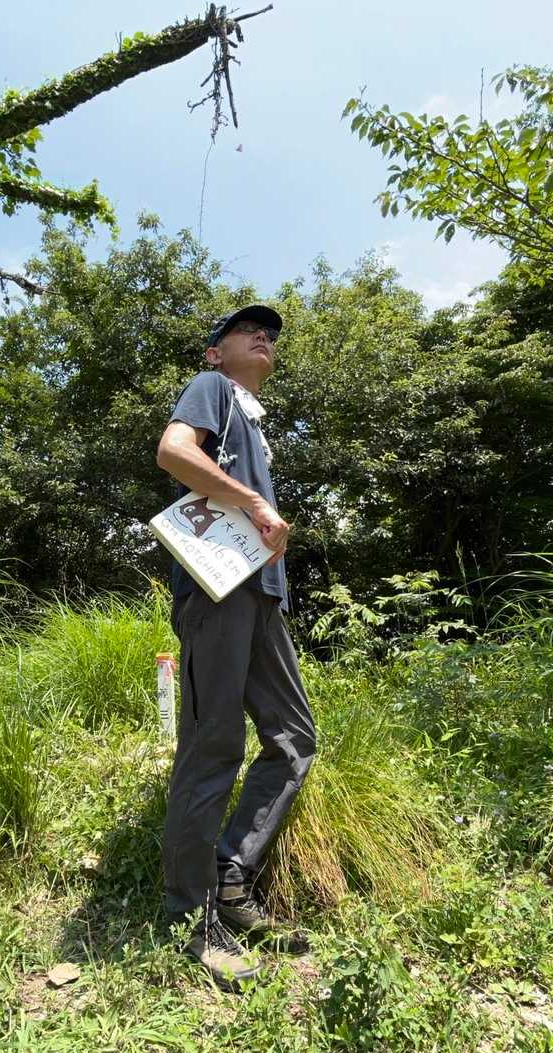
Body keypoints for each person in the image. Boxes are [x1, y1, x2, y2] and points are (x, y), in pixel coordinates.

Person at [154, 304, 317, 989]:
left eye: (271, 334)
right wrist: (253, 501)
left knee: (294, 740)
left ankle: (229, 877)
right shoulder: (211, 388)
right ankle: (190, 918)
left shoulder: (253, 421)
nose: (264, 338)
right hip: (216, 592)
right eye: (249, 330)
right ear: (215, 352)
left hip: (261, 597)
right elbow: (173, 452)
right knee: (213, 745)